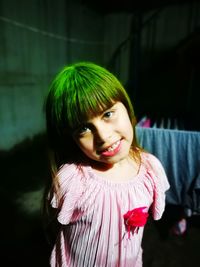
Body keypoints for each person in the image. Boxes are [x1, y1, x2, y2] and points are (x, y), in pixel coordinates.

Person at [43, 61, 170, 267]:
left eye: (108, 114)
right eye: (84, 128)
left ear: (127, 109)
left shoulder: (150, 170)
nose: (103, 136)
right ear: (72, 138)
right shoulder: (73, 180)